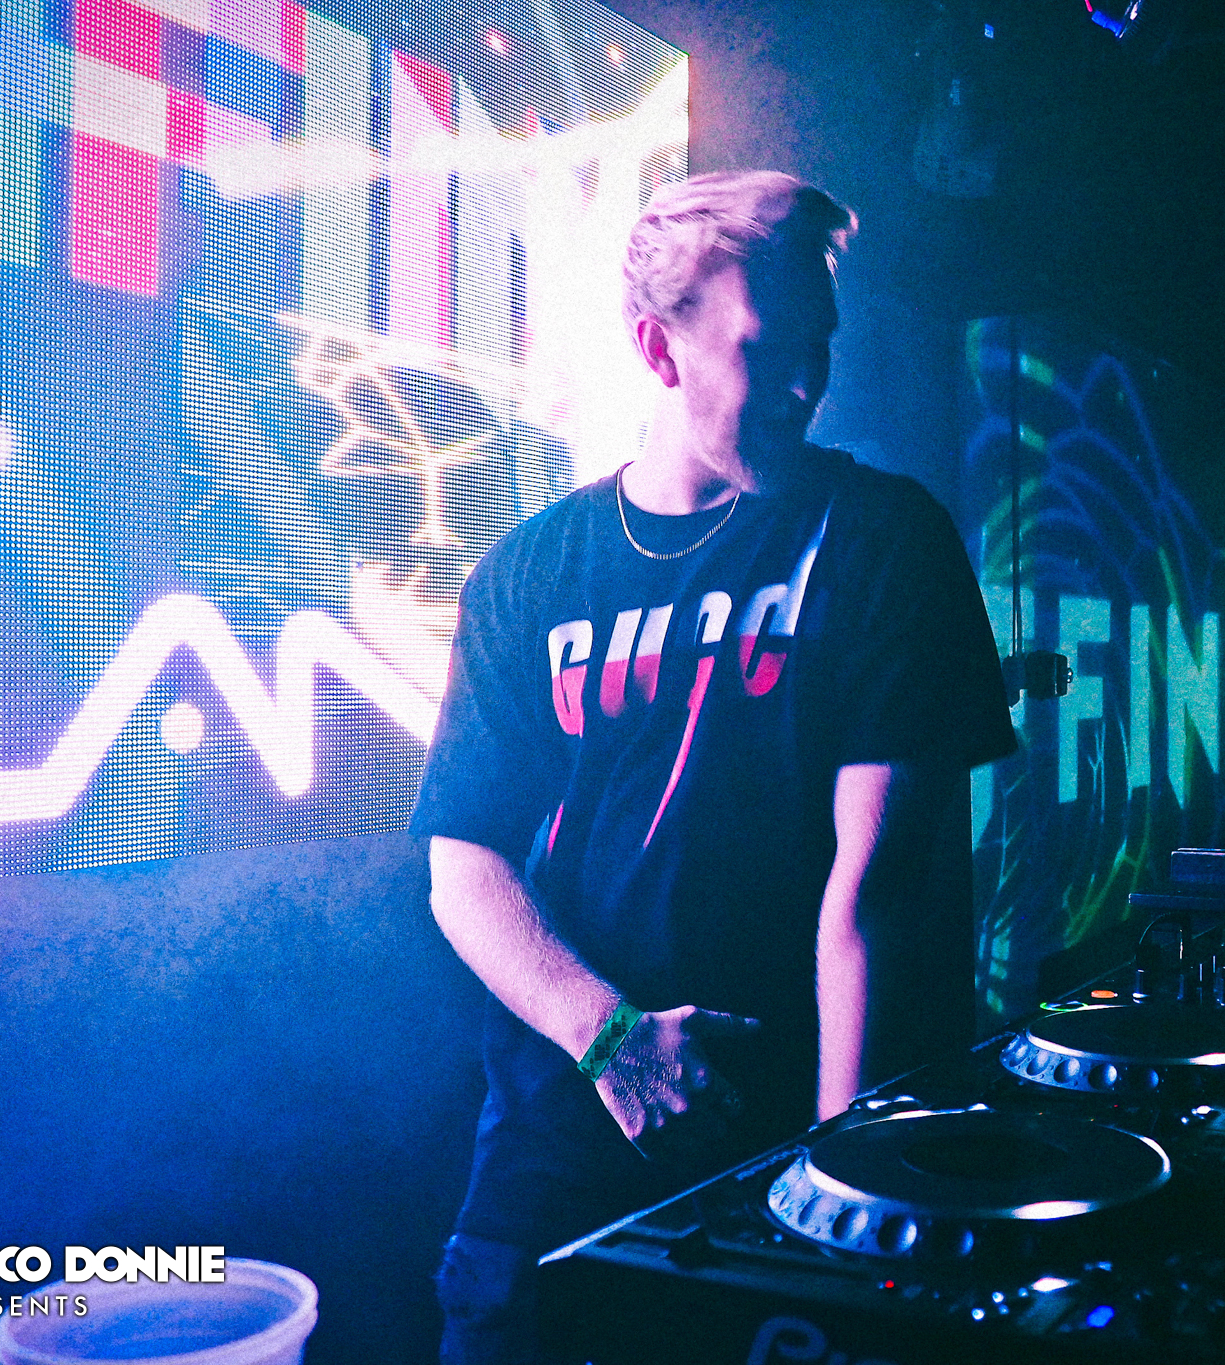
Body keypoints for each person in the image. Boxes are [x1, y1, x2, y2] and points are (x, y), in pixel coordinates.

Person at [408, 171, 1016, 1364]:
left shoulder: (882, 539)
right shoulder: (529, 571)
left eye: (816, 347)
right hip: (553, 1154)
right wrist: (612, 1041)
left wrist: (839, 1193)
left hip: (790, 1146)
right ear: (658, 347)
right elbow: (462, 865)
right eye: (765, 350)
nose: (803, 386)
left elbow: (877, 891)